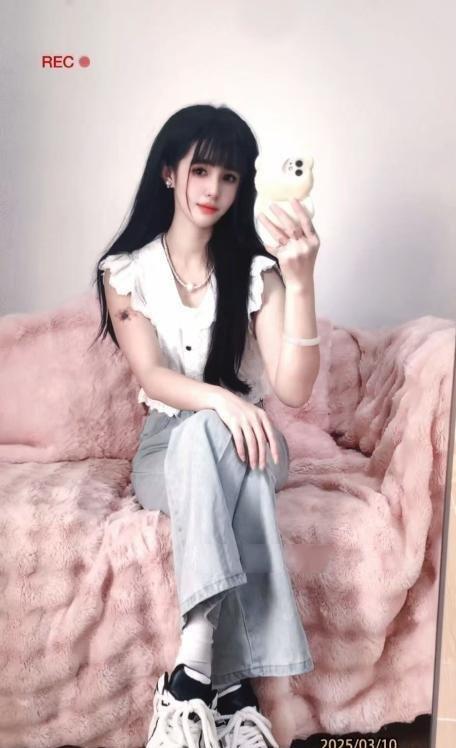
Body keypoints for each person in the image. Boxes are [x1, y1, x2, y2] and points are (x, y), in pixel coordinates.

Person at [91, 103, 320, 748]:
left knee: (215, 436)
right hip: (166, 446)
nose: (213, 189)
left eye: (229, 176)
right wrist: (223, 401)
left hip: (254, 444)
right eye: (201, 171)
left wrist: (301, 282)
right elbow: (152, 375)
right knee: (197, 432)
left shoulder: (258, 273)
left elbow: (293, 389)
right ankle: (236, 696)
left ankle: (190, 675)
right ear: (169, 172)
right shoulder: (127, 272)